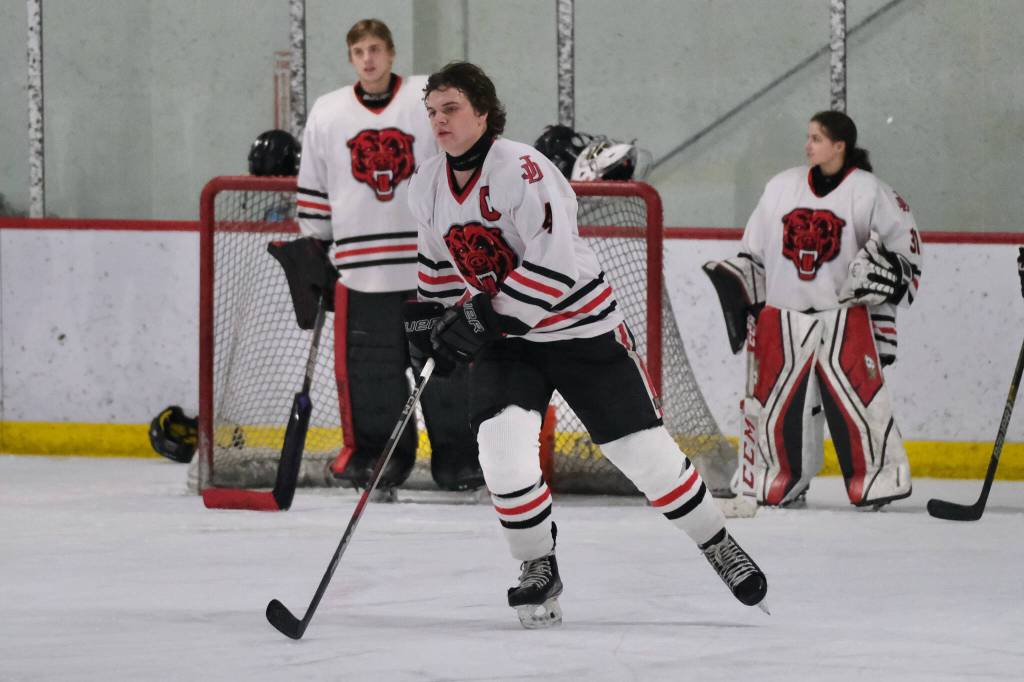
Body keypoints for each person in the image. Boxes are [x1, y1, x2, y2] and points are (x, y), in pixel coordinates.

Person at [405, 61, 768, 629]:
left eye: (450, 109)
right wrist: (427, 326)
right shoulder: (425, 183)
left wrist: (480, 320)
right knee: (500, 453)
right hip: (508, 343)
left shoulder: (525, 170)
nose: (439, 121)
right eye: (431, 112)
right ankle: (536, 566)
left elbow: (554, 267)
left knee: (643, 457)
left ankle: (715, 541)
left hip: (578, 331)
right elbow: (436, 267)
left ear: (482, 111)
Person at [294, 19, 481, 491]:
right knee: (371, 377)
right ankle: (381, 458)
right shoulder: (328, 111)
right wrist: (316, 244)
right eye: (359, 51)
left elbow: (464, 150)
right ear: (351, 57)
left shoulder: (426, 99)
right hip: (361, 275)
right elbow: (314, 186)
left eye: (376, 49)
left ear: (392, 53)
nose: (369, 59)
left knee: (445, 373)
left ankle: (459, 459)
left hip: (430, 271)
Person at [705, 110, 922, 508]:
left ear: (839, 146)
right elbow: (752, 252)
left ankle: (879, 479)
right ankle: (778, 478)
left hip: (845, 318)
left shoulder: (870, 191)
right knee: (775, 408)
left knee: (861, 403)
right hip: (783, 316)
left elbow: (906, 257)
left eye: (816, 138)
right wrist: (741, 287)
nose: (807, 145)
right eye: (808, 137)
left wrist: (889, 288)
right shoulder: (780, 188)